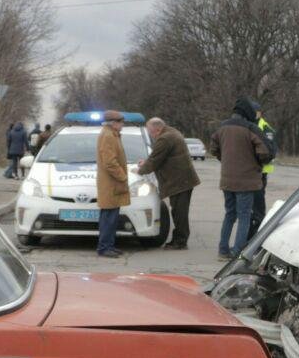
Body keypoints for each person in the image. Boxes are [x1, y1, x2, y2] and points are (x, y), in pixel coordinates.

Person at [210, 96, 273, 259]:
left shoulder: (221, 128)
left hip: (227, 180)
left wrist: (225, 160)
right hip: (247, 181)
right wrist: (257, 163)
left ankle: (223, 250)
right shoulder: (250, 128)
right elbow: (265, 151)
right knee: (244, 216)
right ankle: (238, 251)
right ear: (248, 113)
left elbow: (213, 148)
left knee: (229, 214)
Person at [138, 117, 201, 249]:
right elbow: (158, 157)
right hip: (183, 180)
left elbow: (155, 160)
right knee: (179, 211)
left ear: (158, 129)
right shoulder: (171, 133)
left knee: (179, 213)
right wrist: (147, 163)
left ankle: (180, 241)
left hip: (179, 182)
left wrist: (140, 171)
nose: (150, 135)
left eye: (151, 132)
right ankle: (179, 239)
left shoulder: (165, 139)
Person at [96, 110, 129, 258]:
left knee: (112, 216)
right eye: (121, 122)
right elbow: (109, 162)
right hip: (111, 183)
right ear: (113, 123)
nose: (122, 125)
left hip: (112, 183)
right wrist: (122, 176)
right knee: (109, 217)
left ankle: (109, 244)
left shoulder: (112, 134)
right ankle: (104, 247)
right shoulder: (108, 136)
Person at [247, 106, 277, 240]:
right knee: (249, 206)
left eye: (256, 111)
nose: (254, 114)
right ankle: (250, 235)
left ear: (260, 112)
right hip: (250, 171)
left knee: (258, 207)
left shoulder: (264, 127)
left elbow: (270, 150)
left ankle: (256, 236)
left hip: (261, 171)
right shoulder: (249, 125)